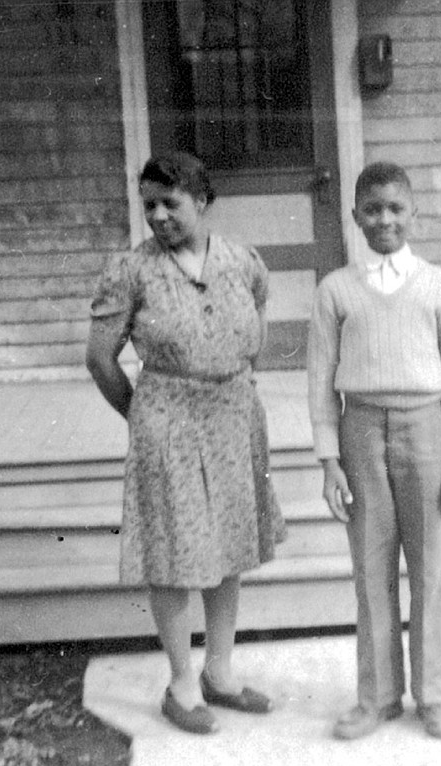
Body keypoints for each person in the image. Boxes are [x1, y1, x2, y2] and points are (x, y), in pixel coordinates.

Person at [85, 151, 284, 735]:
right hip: (166, 420)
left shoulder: (244, 262)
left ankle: (220, 673)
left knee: (229, 543)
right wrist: (144, 418)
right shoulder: (131, 271)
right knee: (173, 552)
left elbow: (256, 327)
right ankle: (180, 683)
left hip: (232, 416)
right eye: (149, 204)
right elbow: (99, 359)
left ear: (203, 201)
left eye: (171, 202)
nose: (159, 215)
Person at [307, 160, 441, 740]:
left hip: (426, 428)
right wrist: (329, 459)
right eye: (372, 209)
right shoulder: (335, 290)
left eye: (395, 208)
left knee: (431, 569)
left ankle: (433, 695)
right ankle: (377, 697)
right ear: (355, 215)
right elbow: (319, 381)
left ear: (413, 213)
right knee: (371, 569)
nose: (384, 219)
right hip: (360, 430)